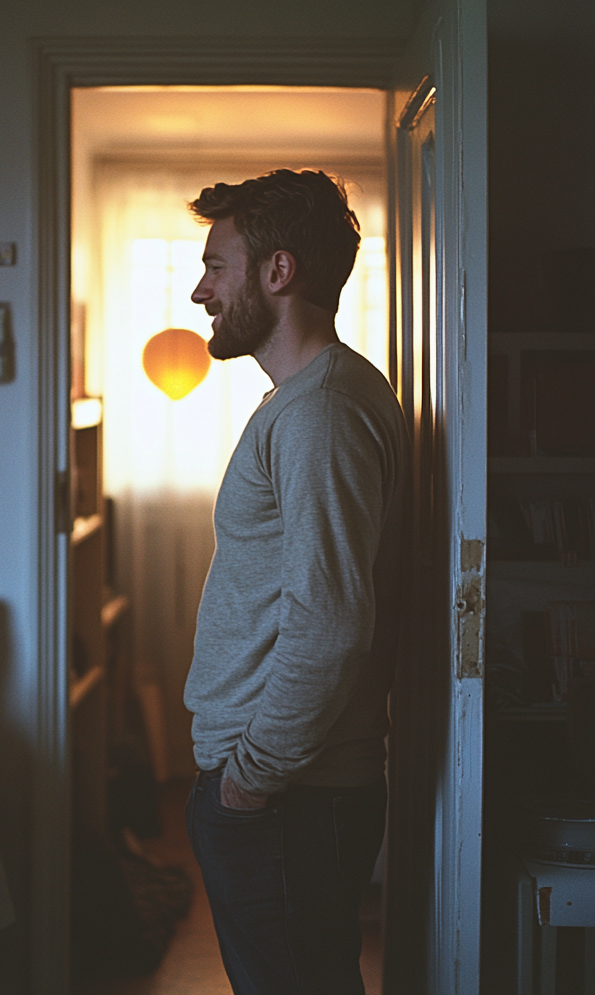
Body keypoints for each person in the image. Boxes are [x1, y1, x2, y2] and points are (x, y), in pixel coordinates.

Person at [183, 169, 410, 995]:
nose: (201, 290)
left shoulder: (321, 412)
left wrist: (247, 781)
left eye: (218, 265)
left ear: (278, 272)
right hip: (287, 796)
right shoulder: (310, 401)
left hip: (288, 800)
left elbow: (332, 619)